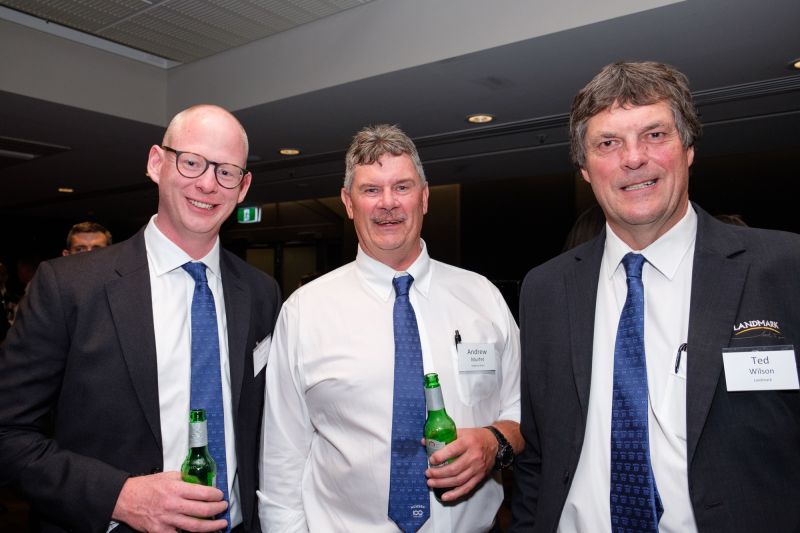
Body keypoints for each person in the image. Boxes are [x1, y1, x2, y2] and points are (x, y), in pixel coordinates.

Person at [510, 61, 800, 532]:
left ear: (688, 149)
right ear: (585, 169)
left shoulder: (784, 267)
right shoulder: (545, 289)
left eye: (655, 135)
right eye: (608, 143)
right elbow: (537, 457)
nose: (633, 158)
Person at [0, 105, 281, 533]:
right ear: (156, 163)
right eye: (191, 162)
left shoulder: (261, 293)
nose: (208, 183)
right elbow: (8, 433)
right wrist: (119, 497)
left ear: (243, 187)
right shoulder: (69, 286)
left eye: (226, 172)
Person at [258, 124, 523, 532]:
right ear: (348, 203)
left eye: (402, 187)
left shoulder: (482, 298)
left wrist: (493, 442)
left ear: (425, 197)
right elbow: (282, 461)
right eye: (370, 190)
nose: (388, 203)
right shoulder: (304, 313)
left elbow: (523, 411)